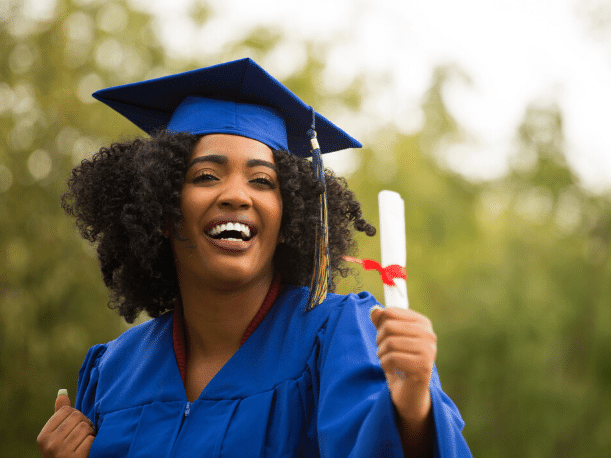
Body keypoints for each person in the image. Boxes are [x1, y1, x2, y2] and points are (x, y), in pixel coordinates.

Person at [37, 58, 472, 457]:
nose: (236, 195)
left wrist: (413, 408)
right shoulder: (113, 372)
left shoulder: (338, 337)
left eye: (262, 181)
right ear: (163, 211)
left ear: (289, 217)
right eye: (207, 176)